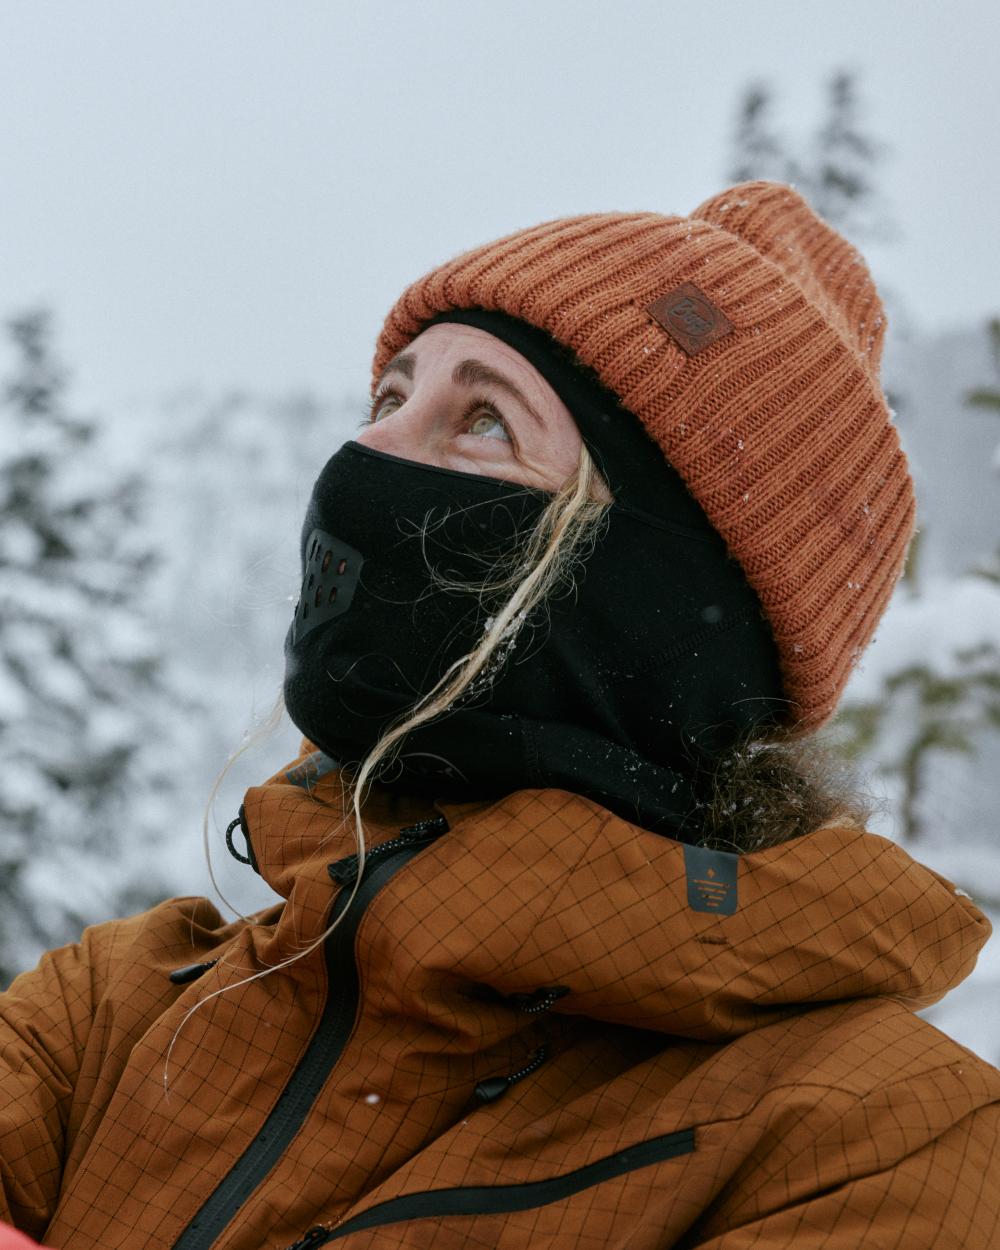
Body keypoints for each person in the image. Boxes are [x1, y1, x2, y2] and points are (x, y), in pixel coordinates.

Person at [1, 180, 998, 1250]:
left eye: (482, 421)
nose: (370, 458)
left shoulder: (875, 1139)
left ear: (664, 593)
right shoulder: (115, 1010)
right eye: (387, 399)